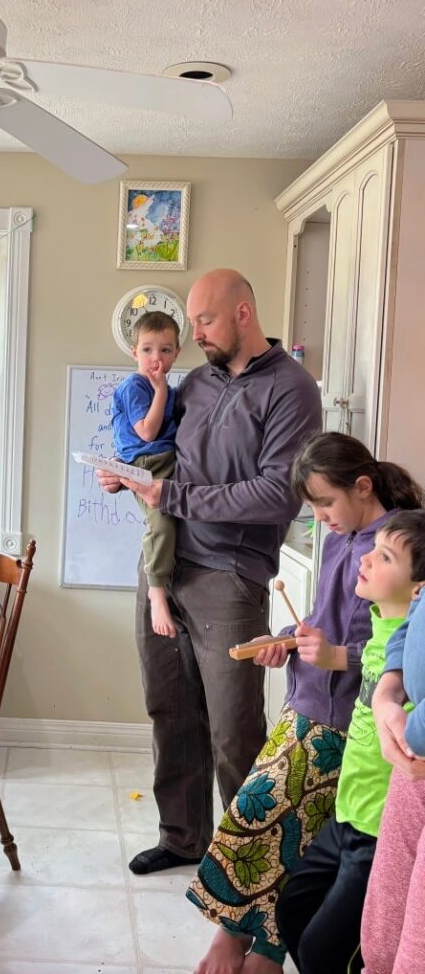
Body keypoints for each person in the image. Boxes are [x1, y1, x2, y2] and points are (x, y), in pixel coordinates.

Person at [97, 268, 321, 876]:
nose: (194, 334)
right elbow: (163, 457)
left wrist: (170, 496)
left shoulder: (292, 389)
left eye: (205, 321)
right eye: (191, 322)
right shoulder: (195, 382)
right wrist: (128, 477)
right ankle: (183, 838)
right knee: (169, 710)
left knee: (233, 728)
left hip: (230, 574)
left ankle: (246, 862)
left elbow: (278, 493)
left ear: (244, 313)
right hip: (166, 566)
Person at [186, 433, 424, 974]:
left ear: (362, 487)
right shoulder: (343, 538)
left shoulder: (398, 547)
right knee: (283, 829)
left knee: (265, 818)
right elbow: (324, 620)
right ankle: (252, 945)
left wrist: (337, 656)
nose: (318, 517)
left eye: (324, 502)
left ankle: (252, 946)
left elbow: (399, 644)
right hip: (307, 698)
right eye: (311, 506)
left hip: (342, 719)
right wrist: (287, 641)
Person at [275, 510, 425, 973]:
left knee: (330, 950)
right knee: (292, 910)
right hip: (348, 811)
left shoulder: (411, 649)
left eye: (385, 557)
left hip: (379, 828)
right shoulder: (385, 628)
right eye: (372, 549)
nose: (367, 560)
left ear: (418, 589)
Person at [361, 518, 425, 973]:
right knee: (381, 936)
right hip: (412, 770)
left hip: (415, 752)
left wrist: (412, 729)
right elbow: (413, 617)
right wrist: (386, 694)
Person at [111, 310, 182, 636]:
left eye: (165, 350)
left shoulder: (171, 390)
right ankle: (156, 591)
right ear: (134, 352)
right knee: (161, 521)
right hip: (145, 463)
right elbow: (147, 432)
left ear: (177, 353)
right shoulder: (136, 386)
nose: (157, 358)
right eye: (148, 349)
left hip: (169, 458)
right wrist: (161, 391)